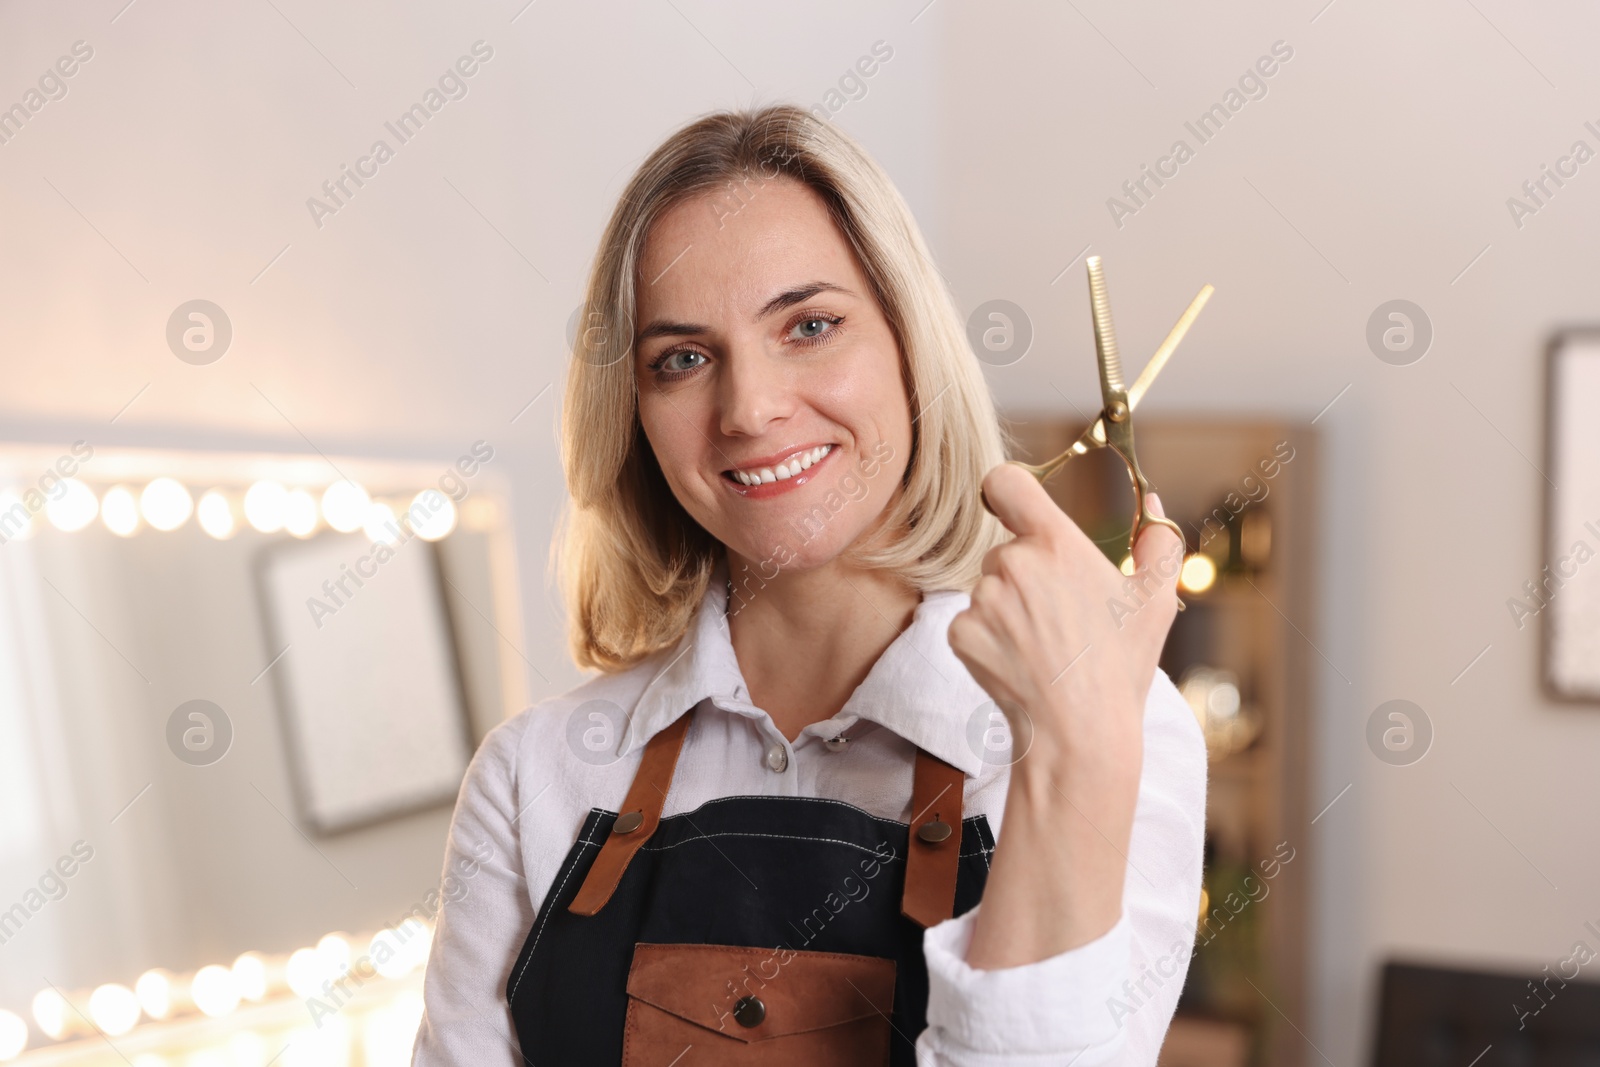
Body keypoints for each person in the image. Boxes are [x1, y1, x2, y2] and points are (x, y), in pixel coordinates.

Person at [412, 104, 1205, 1065]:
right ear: (636, 416)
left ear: (911, 345)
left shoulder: (1124, 726)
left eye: (811, 324)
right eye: (684, 359)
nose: (749, 408)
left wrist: (1074, 751)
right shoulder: (533, 777)